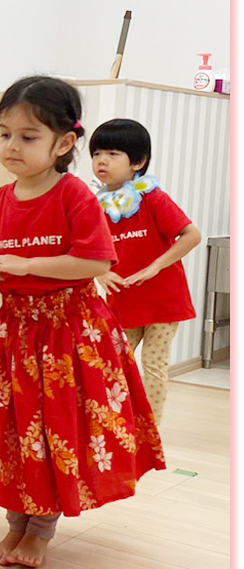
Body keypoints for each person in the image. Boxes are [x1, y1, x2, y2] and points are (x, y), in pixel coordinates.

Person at [0, 76, 165, 568]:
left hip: (70, 333)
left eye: (27, 136)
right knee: (14, 427)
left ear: (64, 143)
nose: (11, 146)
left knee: (55, 428)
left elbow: (96, 263)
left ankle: (40, 531)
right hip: (16, 334)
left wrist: (25, 265)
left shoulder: (75, 196)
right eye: (4, 133)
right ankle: (15, 523)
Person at [90, 118, 201, 424]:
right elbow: (85, 250)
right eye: (98, 152)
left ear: (137, 162)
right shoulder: (93, 206)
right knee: (113, 362)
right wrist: (100, 273)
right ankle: (116, 423)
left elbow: (192, 235)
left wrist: (154, 267)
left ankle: (149, 429)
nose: (102, 160)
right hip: (123, 299)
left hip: (164, 299)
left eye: (113, 153)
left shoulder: (153, 198)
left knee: (153, 364)